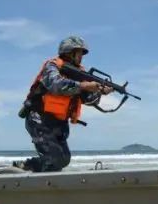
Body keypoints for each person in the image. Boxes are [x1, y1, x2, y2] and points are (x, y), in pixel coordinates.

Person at [15, 36, 111, 173]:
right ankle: (24, 169)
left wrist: (101, 91)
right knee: (55, 159)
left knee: (64, 159)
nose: (81, 57)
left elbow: (88, 100)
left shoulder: (79, 73)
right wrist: (84, 85)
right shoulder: (53, 66)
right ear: (69, 52)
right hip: (39, 119)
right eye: (79, 53)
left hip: (58, 123)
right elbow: (56, 85)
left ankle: (28, 168)